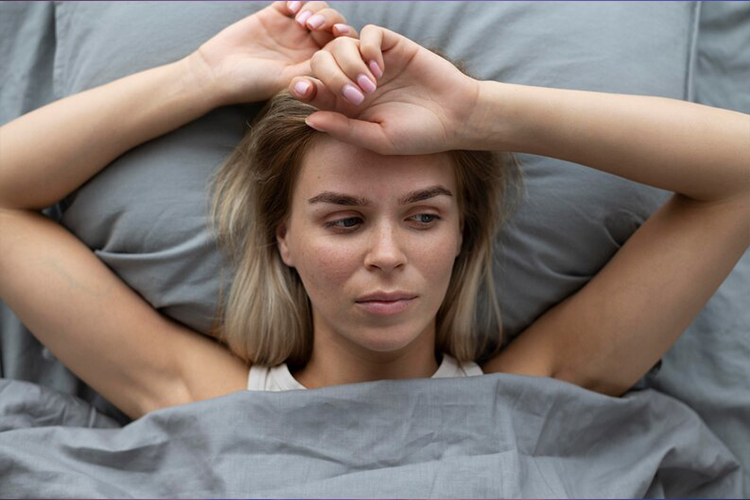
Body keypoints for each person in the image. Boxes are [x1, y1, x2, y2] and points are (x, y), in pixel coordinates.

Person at [1, 1, 748, 420]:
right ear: (282, 236)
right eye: (344, 220)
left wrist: (481, 115)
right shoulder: (202, 399)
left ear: (464, 235)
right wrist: (204, 75)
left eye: (424, 217)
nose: (386, 254)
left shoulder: (538, 389)